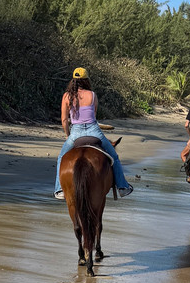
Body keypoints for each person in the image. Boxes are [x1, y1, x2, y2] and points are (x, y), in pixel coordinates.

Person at [54, 67, 133, 199]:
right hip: (94, 131)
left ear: (73, 80)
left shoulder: (66, 96)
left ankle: (59, 190)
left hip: (76, 132)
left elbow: (64, 120)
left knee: (61, 158)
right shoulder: (92, 95)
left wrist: (69, 136)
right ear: (86, 80)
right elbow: (94, 115)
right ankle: (122, 187)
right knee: (114, 157)